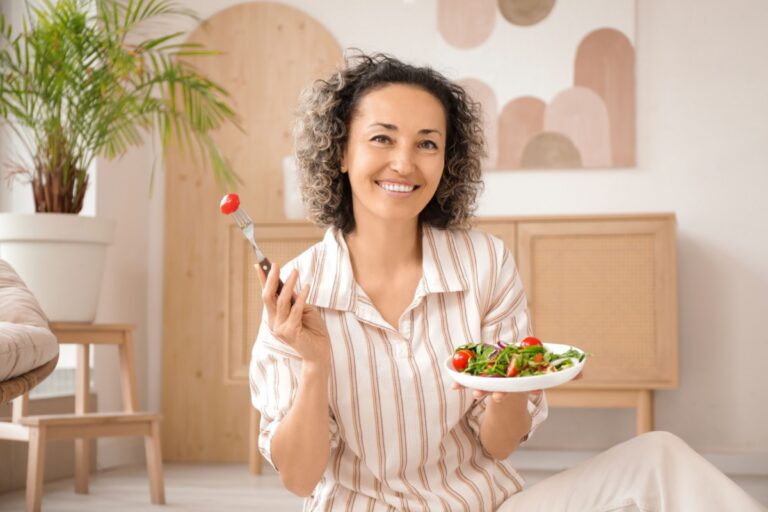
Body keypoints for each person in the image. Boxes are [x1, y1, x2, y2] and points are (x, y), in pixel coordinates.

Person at [249, 52, 765, 512]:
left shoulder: (483, 262)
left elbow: (498, 446)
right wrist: (315, 365)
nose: (404, 163)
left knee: (659, 457)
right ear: (341, 152)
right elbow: (300, 478)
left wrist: (510, 384)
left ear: (446, 161)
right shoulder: (298, 289)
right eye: (382, 138)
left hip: (489, 506)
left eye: (427, 143)